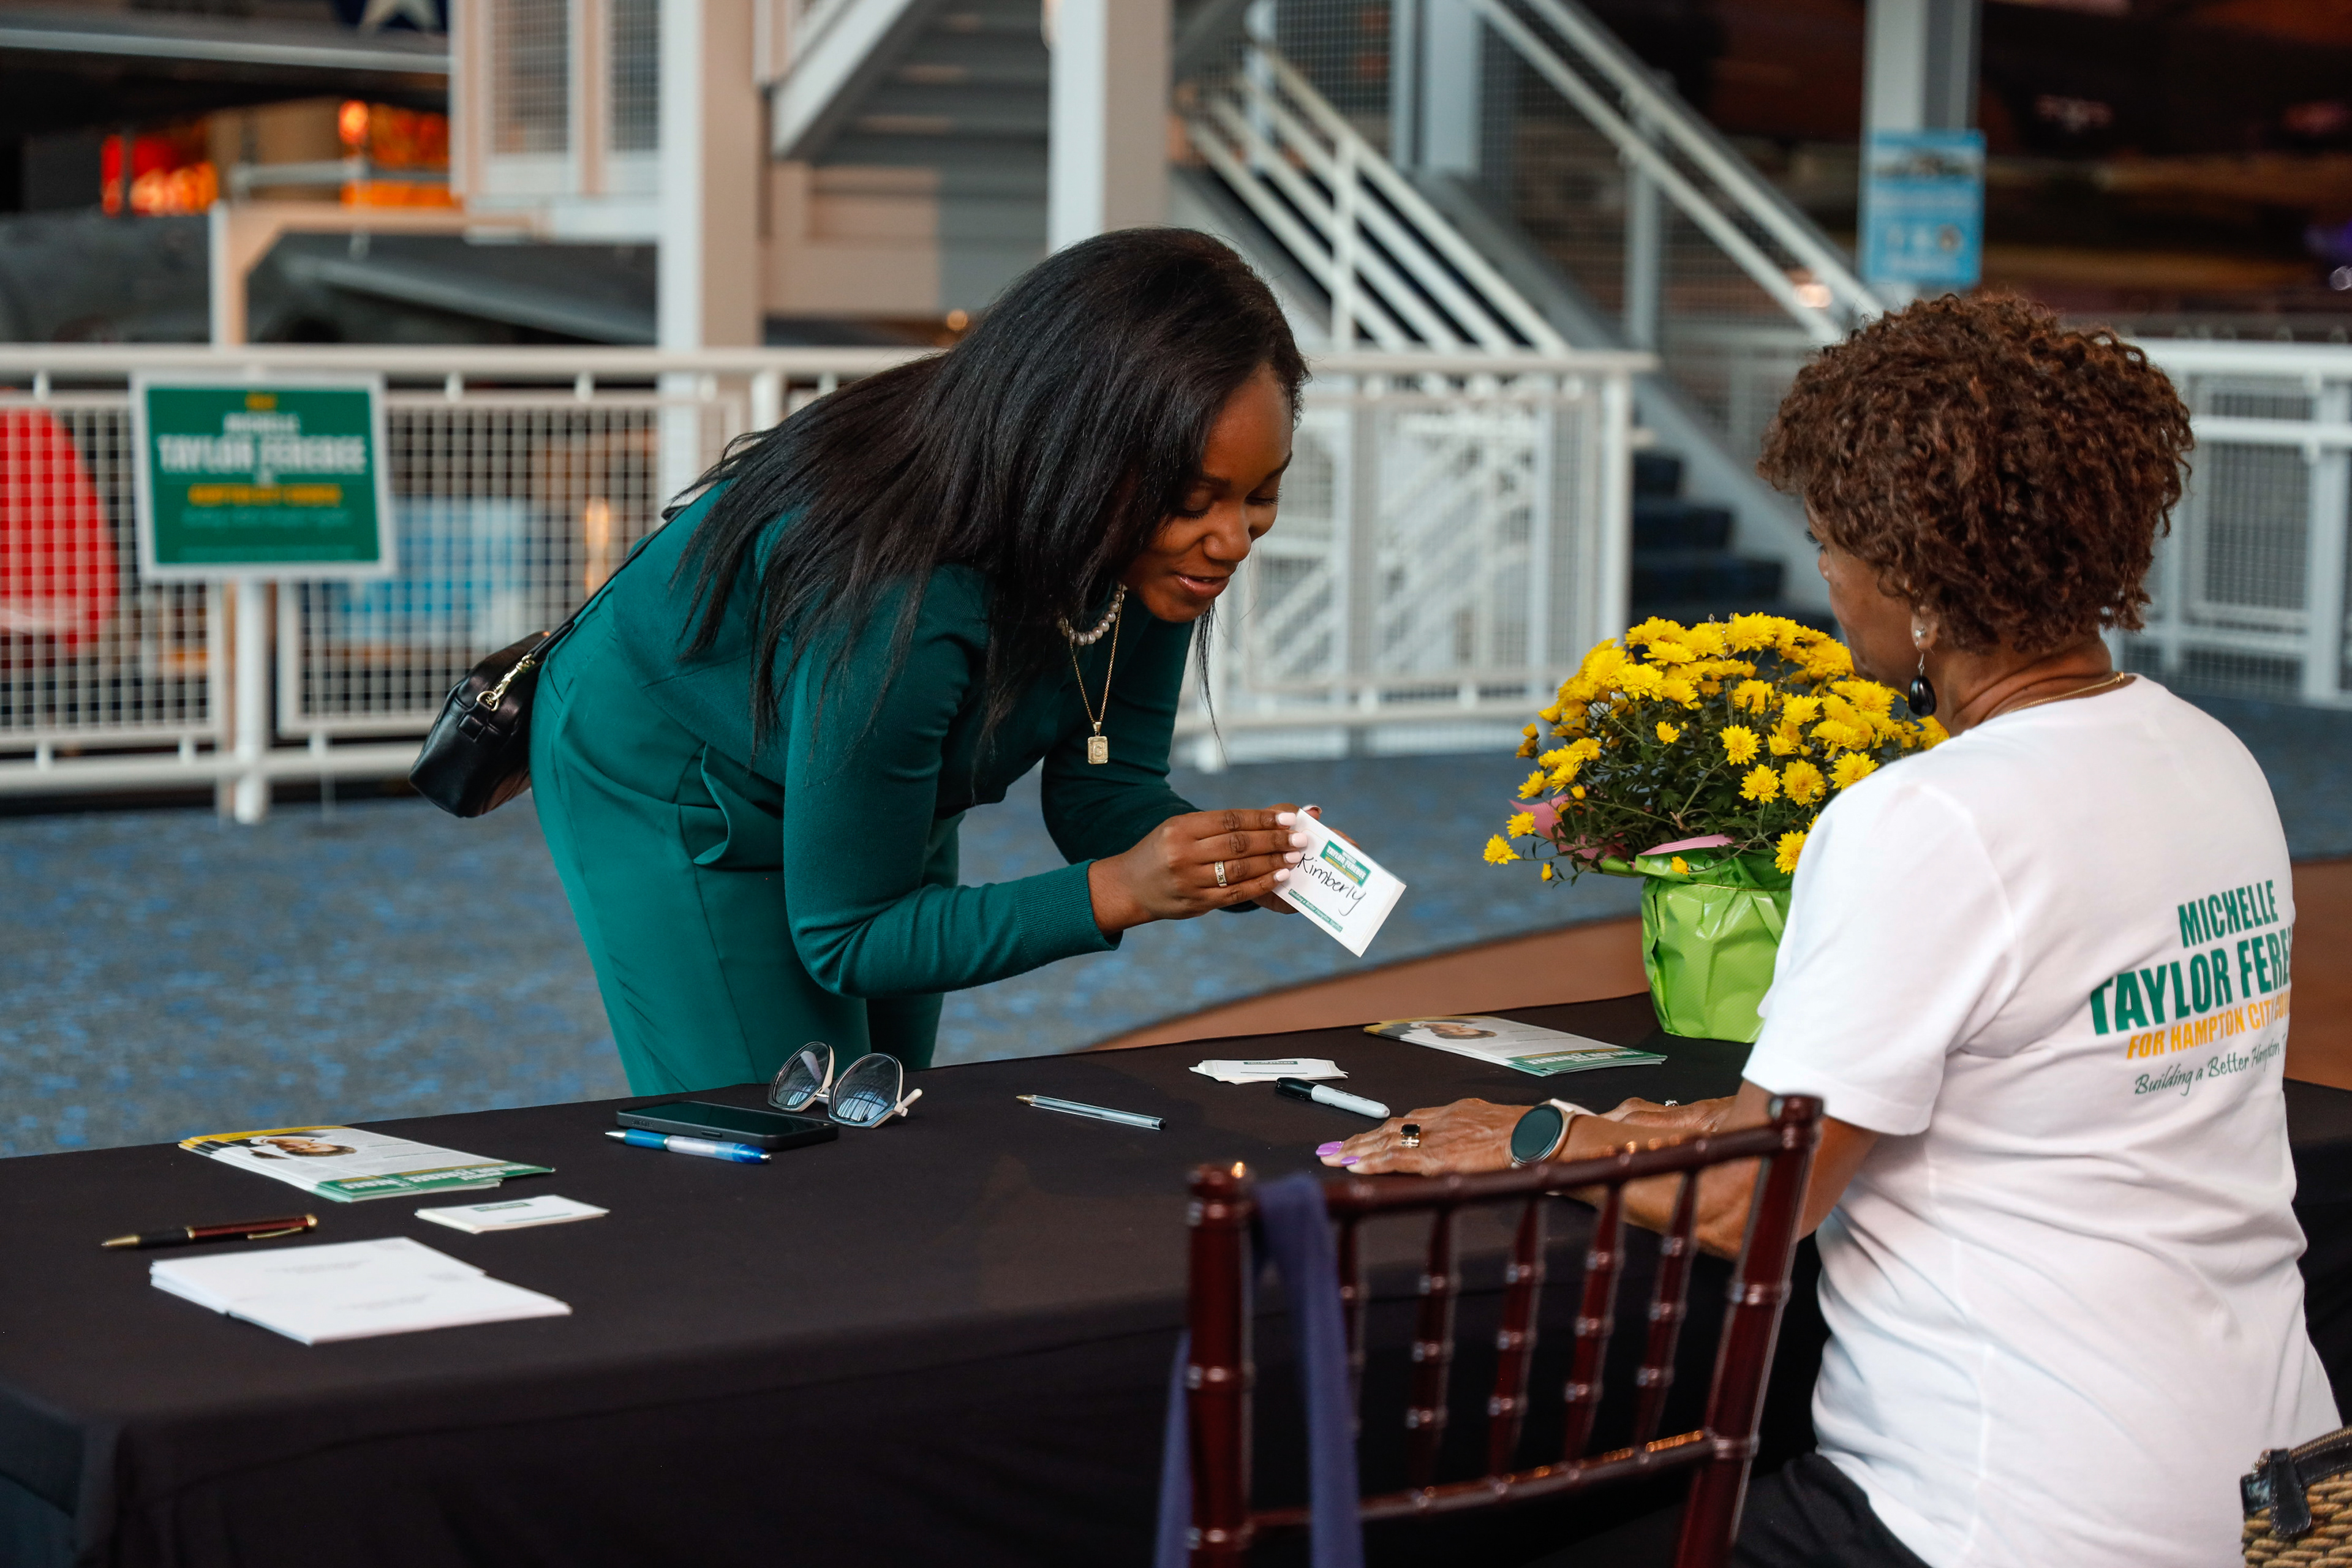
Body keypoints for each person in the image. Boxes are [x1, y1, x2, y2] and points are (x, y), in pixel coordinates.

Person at [1323, 295, 2332, 1568]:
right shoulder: (2213, 759)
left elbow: (1758, 1197)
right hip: (2283, 1496)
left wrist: (1537, 1134)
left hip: (2018, 1514)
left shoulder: (1933, 817)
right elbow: (2020, 1100)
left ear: (1910, 574)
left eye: (1828, 542)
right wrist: (1664, 1125)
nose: (1827, 581)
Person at [531, 230, 1317, 1094]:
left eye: (1262, 493)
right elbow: (851, 936)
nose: (1233, 540)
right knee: (795, 1120)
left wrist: (1231, 860)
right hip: (676, 767)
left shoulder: (1144, 547)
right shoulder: (907, 597)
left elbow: (1104, 787)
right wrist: (1116, 892)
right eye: (1196, 502)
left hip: (866, 743)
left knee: (887, 1099)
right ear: (1080, 458)